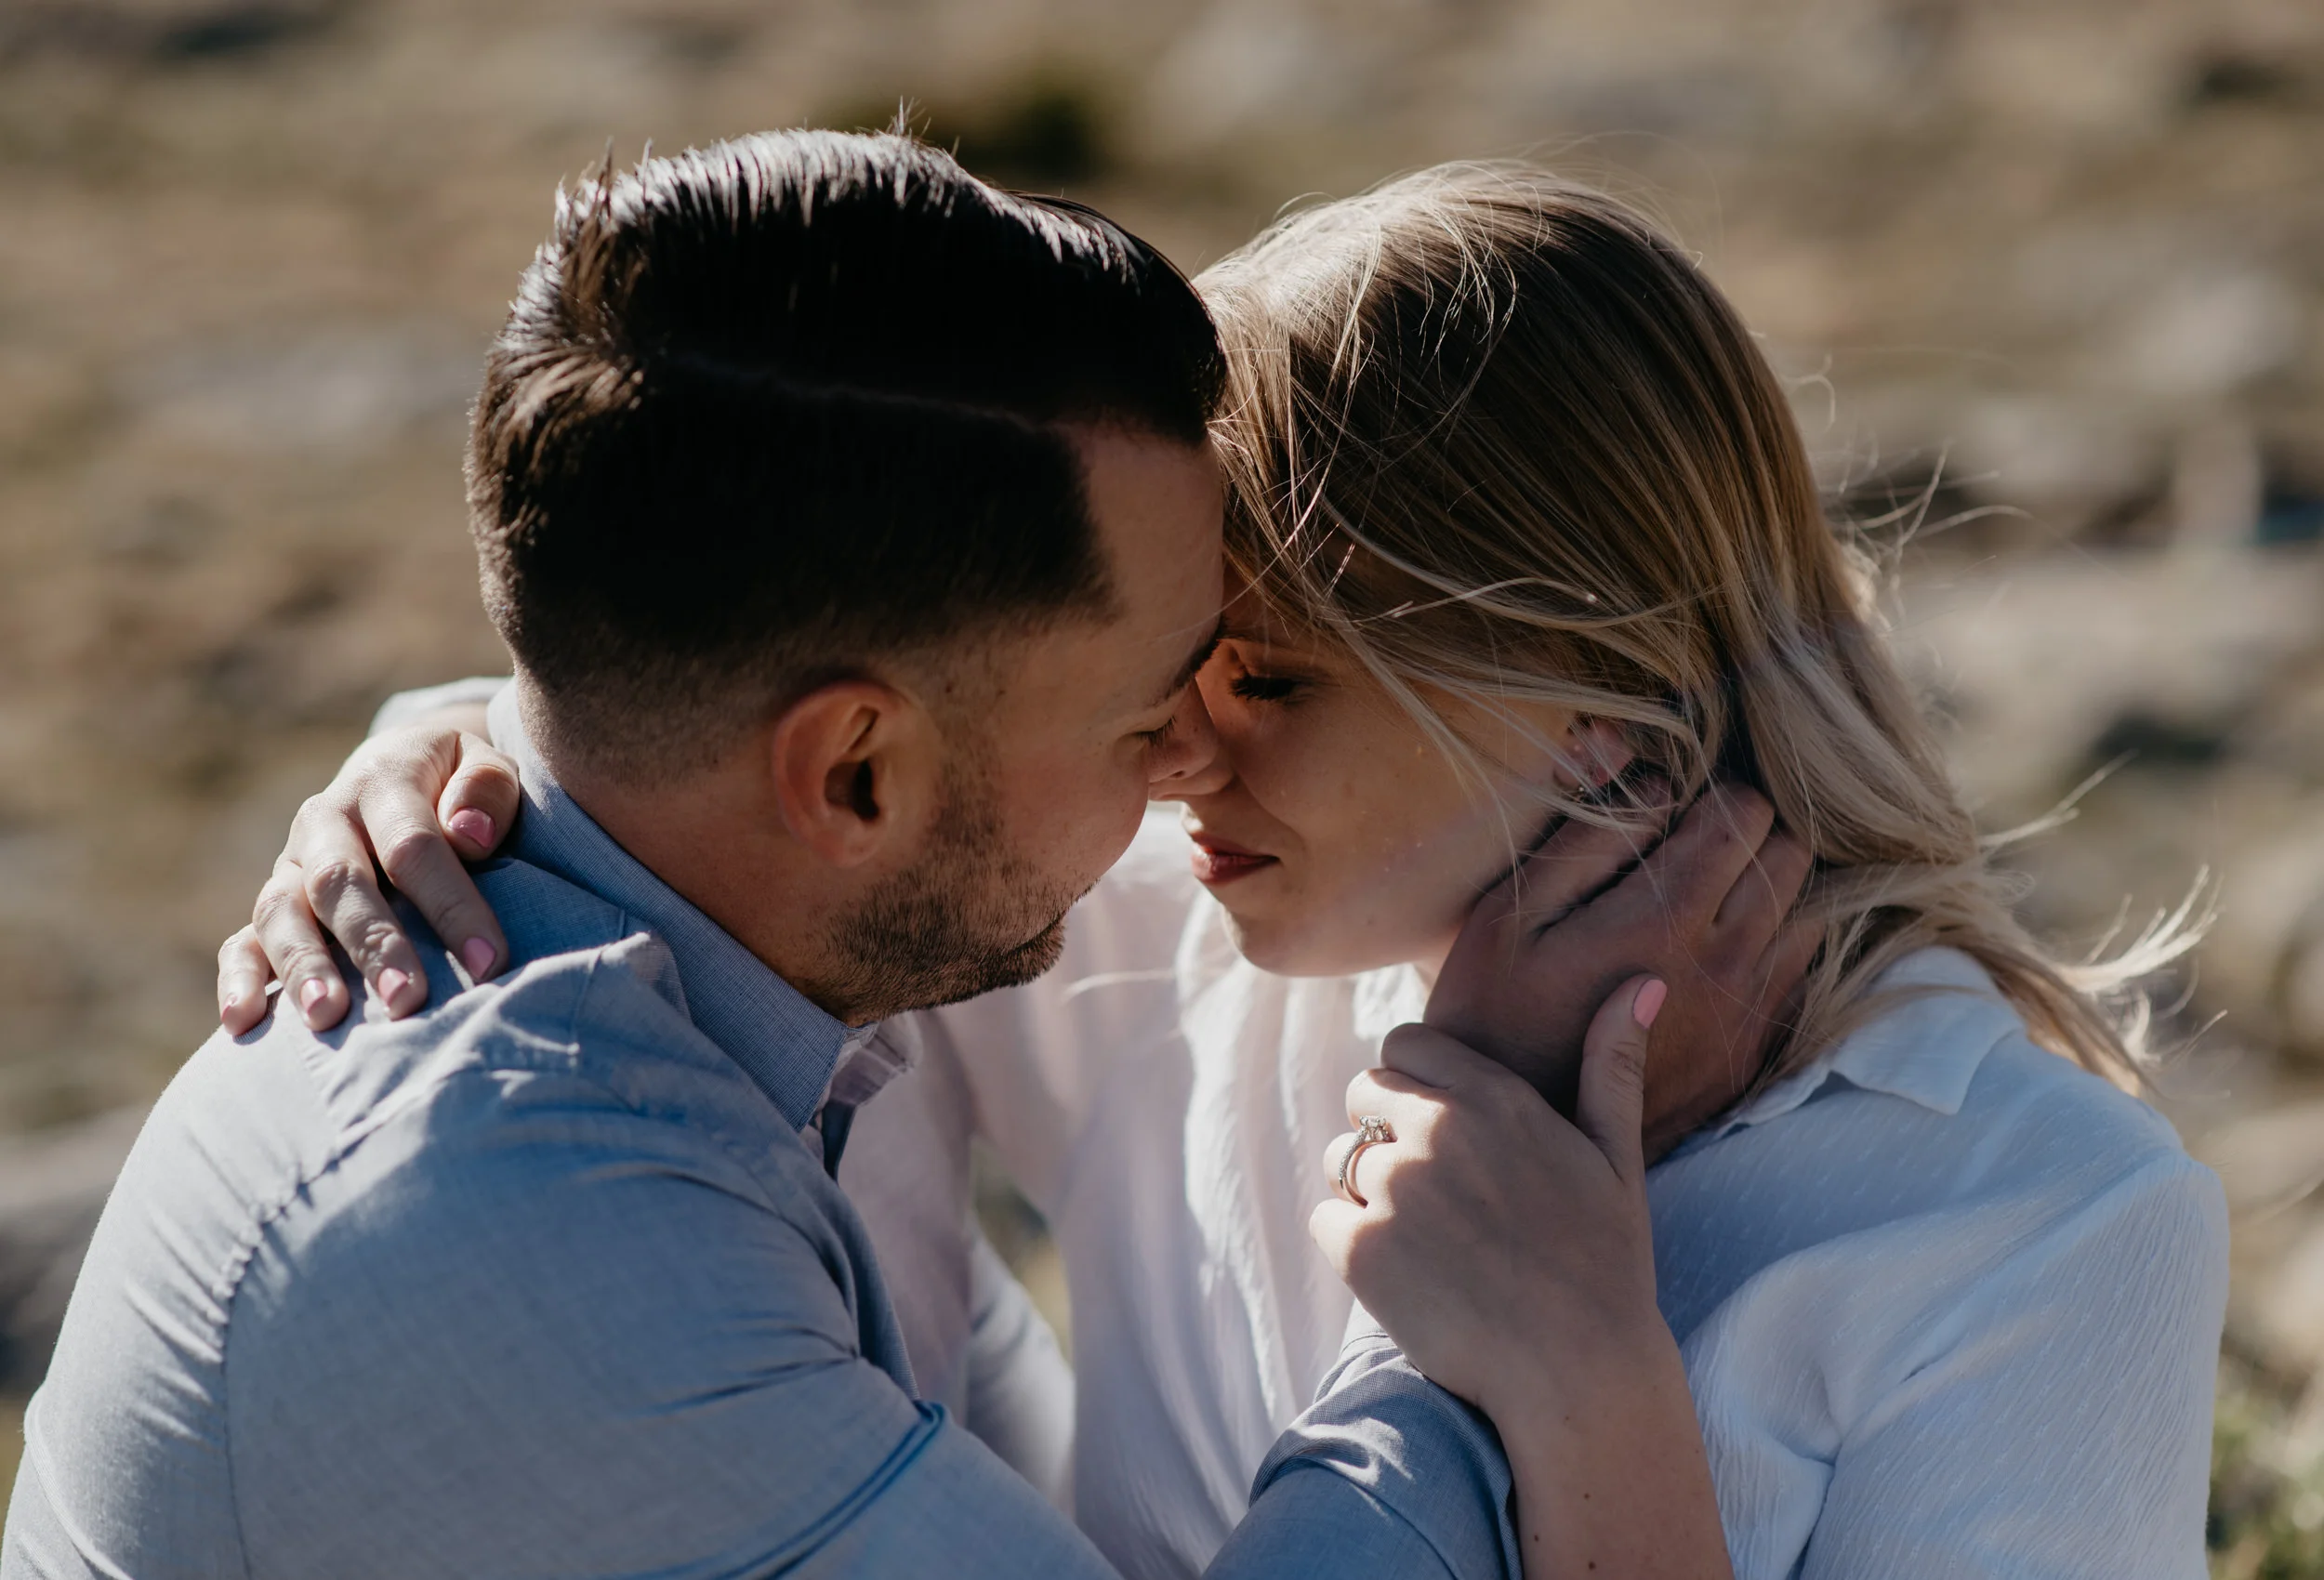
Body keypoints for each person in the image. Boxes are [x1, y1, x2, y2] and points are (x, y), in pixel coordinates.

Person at [220, 165, 2229, 1577]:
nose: (1174, 750)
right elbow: (746, 808)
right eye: (1164, 676)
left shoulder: (2036, 1217)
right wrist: (446, 768)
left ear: (1598, 695)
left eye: (1267, 676)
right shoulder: (1188, 926)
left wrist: (1587, 1394)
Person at [7, 135, 1785, 1580]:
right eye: (1149, 706)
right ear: (854, 776)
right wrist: (1489, 1237)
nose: (1187, 772)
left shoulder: (743, 923)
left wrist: (439, 729)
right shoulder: (520, 1233)